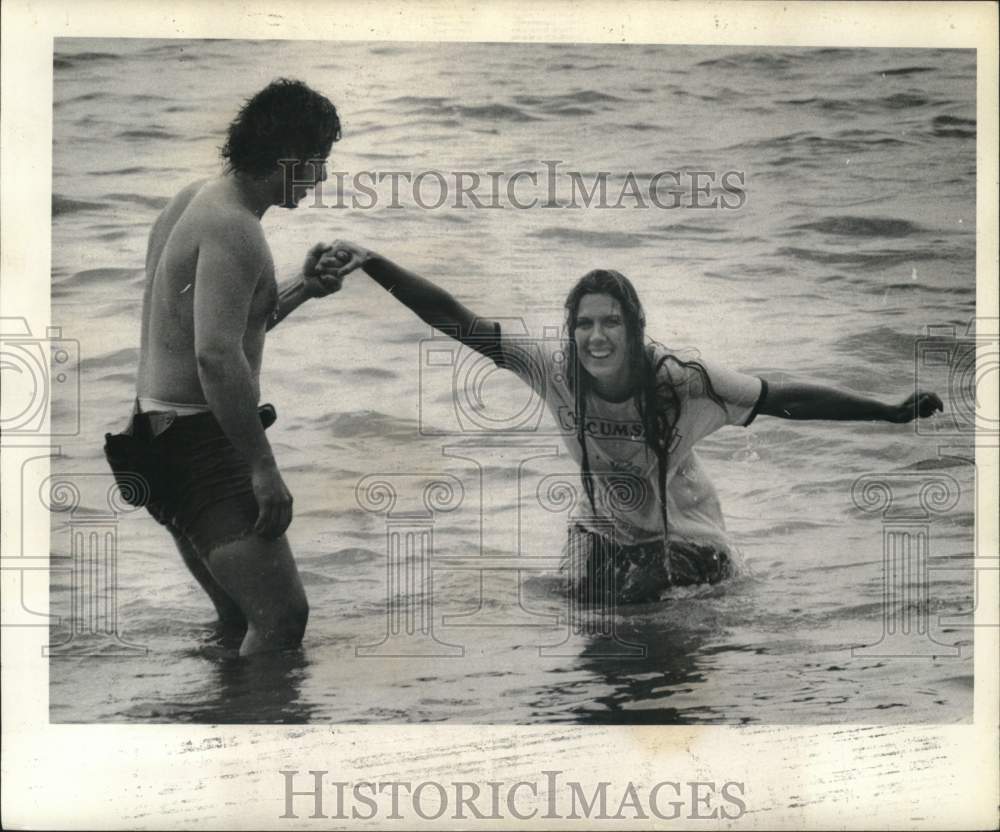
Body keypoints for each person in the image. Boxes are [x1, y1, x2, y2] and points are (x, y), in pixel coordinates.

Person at [317, 242, 944, 605]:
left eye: (611, 322)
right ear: (571, 331)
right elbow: (457, 320)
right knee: (578, 605)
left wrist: (887, 411)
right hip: (606, 530)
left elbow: (783, 398)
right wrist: (374, 263)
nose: (597, 337)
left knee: (642, 601)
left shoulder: (683, 379)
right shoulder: (552, 367)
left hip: (689, 536)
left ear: (635, 329)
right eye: (585, 323)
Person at [105, 79, 346, 655]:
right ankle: (255, 716)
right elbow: (215, 357)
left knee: (241, 617)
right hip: (199, 446)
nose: (320, 178)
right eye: (318, 162)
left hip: (154, 438)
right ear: (289, 160)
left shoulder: (194, 199)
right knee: (282, 619)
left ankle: (223, 704)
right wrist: (263, 467)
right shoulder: (237, 228)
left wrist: (303, 289)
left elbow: (217, 330)